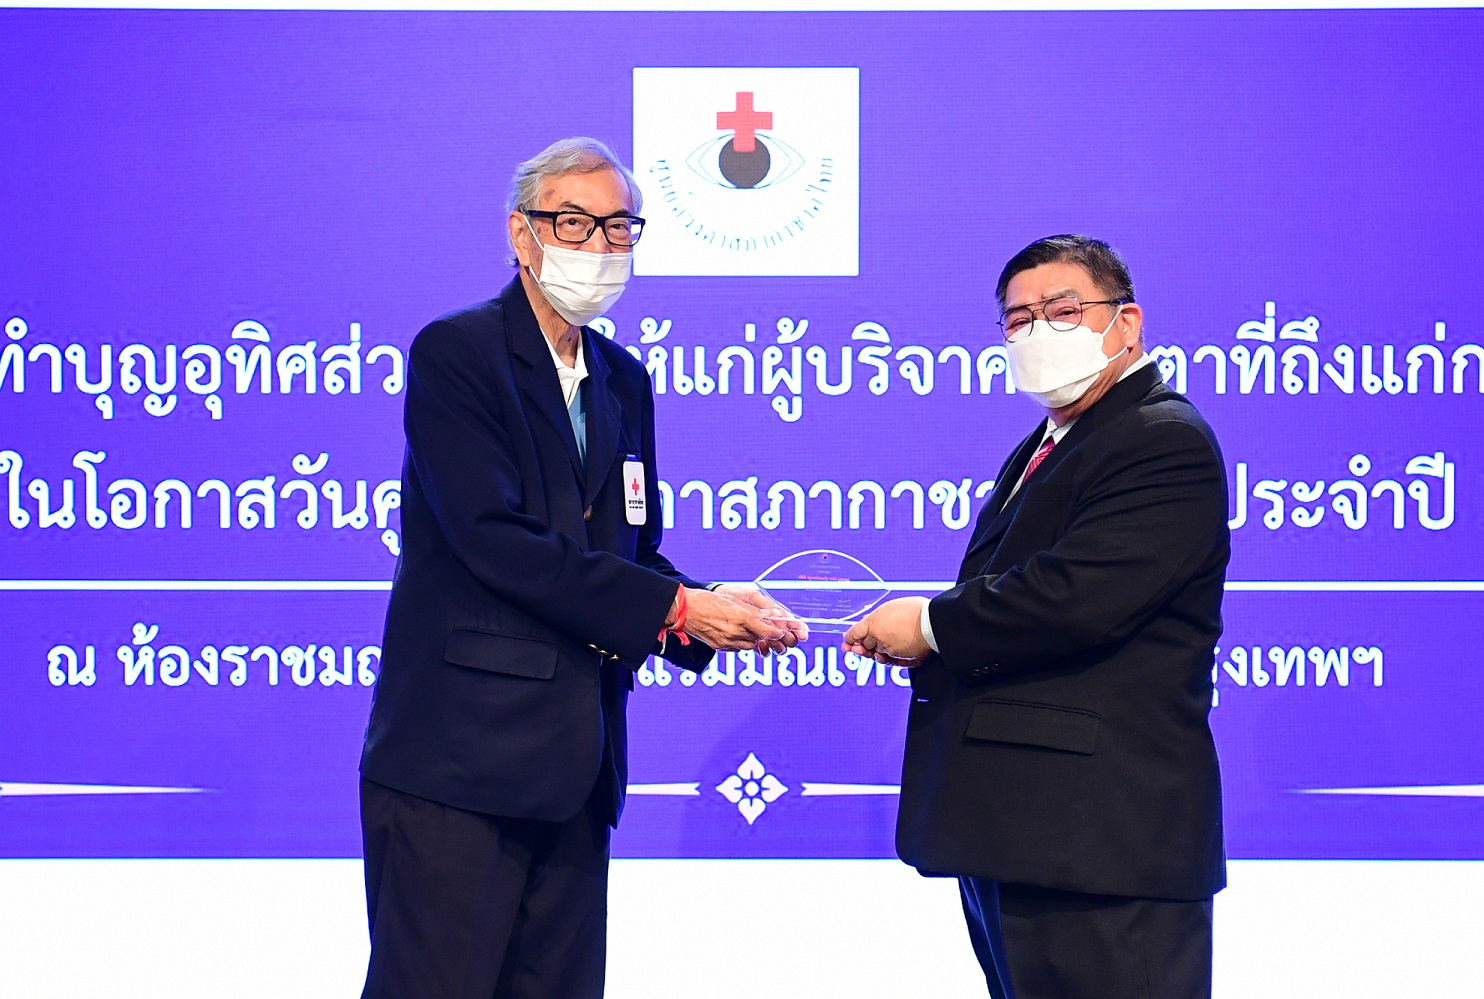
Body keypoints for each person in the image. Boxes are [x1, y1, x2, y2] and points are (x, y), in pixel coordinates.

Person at [358, 137, 804, 999]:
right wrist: (675, 609)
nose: (599, 245)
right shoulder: (458, 353)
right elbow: (496, 539)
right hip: (460, 766)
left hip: (578, 768)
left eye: (618, 226)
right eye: (574, 223)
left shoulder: (622, 379)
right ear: (521, 234)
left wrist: (715, 605)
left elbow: (627, 552)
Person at [843, 234, 1228, 999]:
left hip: (1103, 846)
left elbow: (1073, 598)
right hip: (1029, 836)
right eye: (1018, 319)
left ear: (1125, 323)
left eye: (1062, 310)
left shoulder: (1162, 440)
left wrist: (930, 626)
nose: (1037, 332)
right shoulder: (1049, 443)